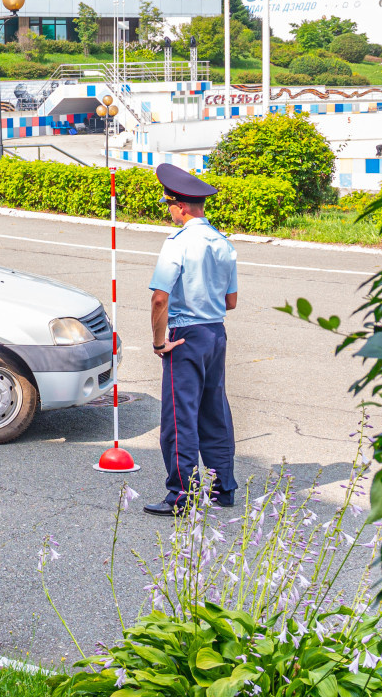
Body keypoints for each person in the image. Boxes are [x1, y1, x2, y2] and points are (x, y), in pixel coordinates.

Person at [144, 163, 239, 517]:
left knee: (179, 419)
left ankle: (181, 495)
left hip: (185, 336)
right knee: (215, 413)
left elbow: (159, 298)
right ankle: (222, 489)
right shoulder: (223, 243)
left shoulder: (178, 243)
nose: (168, 210)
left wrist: (158, 343)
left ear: (180, 206)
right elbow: (231, 301)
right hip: (216, 332)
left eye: (168, 204)